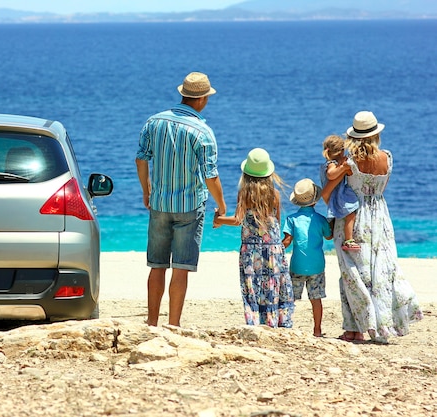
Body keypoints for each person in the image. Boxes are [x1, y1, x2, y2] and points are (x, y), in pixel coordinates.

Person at [135, 71, 227, 327]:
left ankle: (152, 322)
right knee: (181, 267)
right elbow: (211, 176)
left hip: (160, 203)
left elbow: (141, 159)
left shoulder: (154, 122)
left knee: (156, 266)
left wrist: (147, 190)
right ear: (202, 100)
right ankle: (173, 325)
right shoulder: (203, 131)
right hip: (189, 206)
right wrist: (221, 205)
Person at [322, 111, 423, 344]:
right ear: (376, 134)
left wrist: (337, 209)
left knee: (352, 273)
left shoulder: (349, 162)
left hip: (354, 216)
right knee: (381, 272)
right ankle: (382, 323)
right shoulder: (387, 157)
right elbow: (380, 188)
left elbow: (327, 192)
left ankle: (354, 329)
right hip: (380, 217)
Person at [213, 148, 294, 328]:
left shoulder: (245, 194)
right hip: (273, 249)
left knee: (252, 286)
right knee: (273, 285)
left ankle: (255, 323)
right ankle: (274, 322)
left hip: (251, 251)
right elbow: (277, 223)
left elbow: (237, 220)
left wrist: (218, 220)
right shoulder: (275, 194)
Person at [282, 178, 332, 337]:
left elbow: (287, 241)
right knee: (316, 299)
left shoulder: (291, 219)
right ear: (315, 201)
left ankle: (286, 325)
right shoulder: (320, 219)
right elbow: (329, 237)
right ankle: (317, 330)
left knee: (291, 298)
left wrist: (274, 250)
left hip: (297, 265)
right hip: (317, 266)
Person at [320, 135, 360, 251]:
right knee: (351, 214)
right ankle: (349, 240)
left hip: (335, 194)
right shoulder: (331, 164)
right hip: (337, 195)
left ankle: (332, 230)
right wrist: (343, 168)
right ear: (340, 151)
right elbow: (331, 174)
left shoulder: (331, 163)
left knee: (338, 216)